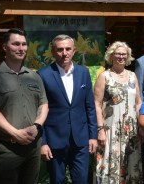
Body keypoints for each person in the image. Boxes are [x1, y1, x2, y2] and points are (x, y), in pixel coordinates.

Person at [0, 28, 48, 184]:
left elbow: (43, 104)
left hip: (33, 147)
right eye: (16, 44)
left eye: (24, 44)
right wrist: (16, 134)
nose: (21, 48)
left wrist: (37, 126)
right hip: (7, 148)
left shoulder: (34, 76)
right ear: (4, 47)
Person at [37, 34, 97, 184]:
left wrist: (93, 136)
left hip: (80, 139)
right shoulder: (43, 75)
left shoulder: (83, 73)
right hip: (54, 140)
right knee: (57, 180)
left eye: (68, 49)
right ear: (53, 52)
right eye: (60, 49)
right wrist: (43, 142)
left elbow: (89, 106)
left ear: (74, 51)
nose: (64, 53)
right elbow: (38, 111)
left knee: (81, 180)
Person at [94, 41, 143, 183]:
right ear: (111, 56)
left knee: (131, 164)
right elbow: (96, 104)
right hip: (110, 129)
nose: (121, 57)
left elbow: (138, 102)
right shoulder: (104, 76)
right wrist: (100, 130)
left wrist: (141, 126)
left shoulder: (133, 76)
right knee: (110, 165)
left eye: (124, 54)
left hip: (131, 130)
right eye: (118, 54)